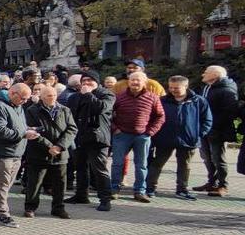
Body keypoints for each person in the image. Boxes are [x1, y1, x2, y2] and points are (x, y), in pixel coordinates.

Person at [147, 75, 212, 200]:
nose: (173, 90)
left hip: (189, 140)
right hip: (164, 138)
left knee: (184, 165)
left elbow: (207, 120)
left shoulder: (199, 101)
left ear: (186, 86)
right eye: (171, 87)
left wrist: (198, 134)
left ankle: (182, 189)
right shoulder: (162, 100)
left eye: (176, 88)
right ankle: (150, 188)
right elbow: (153, 117)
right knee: (157, 163)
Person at [0, 83, 36, 228]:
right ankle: (3, 214)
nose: (25, 102)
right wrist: (24, 134)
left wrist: (28, 129)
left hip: (16, 152)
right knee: (2, 184)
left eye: (27, 99)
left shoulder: (18, 105)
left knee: (5, 184)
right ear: (13, 93)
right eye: (23, 99)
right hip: (1, 153)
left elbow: (19, 126)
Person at [22, 84, 76, 219]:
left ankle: (58, 208)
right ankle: (30, 207)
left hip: (60, 153)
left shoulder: (65, 110)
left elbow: (72, 129)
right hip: (38, 153)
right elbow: (32, 131)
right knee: (35, 182)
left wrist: (59, 146)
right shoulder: (32, 110)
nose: (52, 98)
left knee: (60, 183)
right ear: (41, 97)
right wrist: (49, 146)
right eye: (48, 95)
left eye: (54, 95)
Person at [110, 71, 165, 203]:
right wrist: (115, 129)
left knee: (141, 165)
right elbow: (108, 114)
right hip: (122, 135)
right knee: (117, 164)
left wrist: (150, 132)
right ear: (128, 81)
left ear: (145, 82)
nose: (135, 82)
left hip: (142, 136)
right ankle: (114, 189)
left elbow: (160, 116)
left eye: (138, 80)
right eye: (132, 80)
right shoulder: (119, 97)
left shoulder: (152, 97)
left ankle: (139, 191)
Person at [66, 71, 116, 212]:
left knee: (99, 169)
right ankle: (81, 195)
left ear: (97, 82)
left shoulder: (107, 94)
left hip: (97, 138)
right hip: (79, 137)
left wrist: (88, 94)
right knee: (80, 167)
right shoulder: (75, 97)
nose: (86, 83)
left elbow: (100, 108)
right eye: (84, 81)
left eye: (90, 80)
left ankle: (105, 199)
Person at [196, 65, 238, 197]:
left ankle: (223, 185)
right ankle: (212, 182)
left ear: (215, 75)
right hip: (205, 129)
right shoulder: (208, 87)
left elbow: (229, 112)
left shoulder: (227, 90)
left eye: (206, 72)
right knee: (207, 158)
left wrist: (212, 125)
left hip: (217, 130)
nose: (203, 74)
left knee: (218, 158)